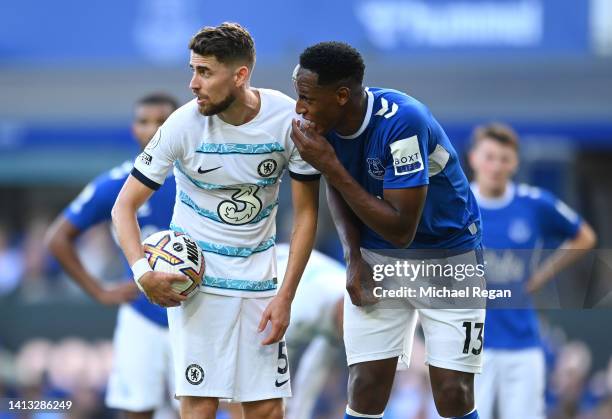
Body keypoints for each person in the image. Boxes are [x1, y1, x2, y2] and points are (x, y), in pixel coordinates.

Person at [111, 23, 320, 419]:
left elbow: (307, 213)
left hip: (261, 286)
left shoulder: (286, 120)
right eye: (192, 70)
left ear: (240, 75)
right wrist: (142, 272)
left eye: (204, 72)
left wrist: (286, 296)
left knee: (267, 410)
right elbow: (123, 208)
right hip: (199, 287)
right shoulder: (181, 125)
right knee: (201, 407)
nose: (192, 83)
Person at [290, 41, 484, 419]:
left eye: (306, 97)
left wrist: (331, 165)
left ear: (342, 95)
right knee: (364, 384)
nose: (300, 107)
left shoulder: (404, 122)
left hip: (447, 254)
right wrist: (353, 257)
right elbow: (339, 190)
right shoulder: (322, 124)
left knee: (453, 390)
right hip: (377, 256)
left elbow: (400, 229)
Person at [45, 93, 179, 419]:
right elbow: (58, 238)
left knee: (202, 409)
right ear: (133, 129)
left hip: (197, 312)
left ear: (178, 124)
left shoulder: (205, 178)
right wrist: (99, 290)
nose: (152, 130)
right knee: (136, 410)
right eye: (143, 121)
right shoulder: (118, 182)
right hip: (140, 315)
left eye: (161, 121)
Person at [468, 123, 596, 419]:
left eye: (504, 158)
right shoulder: (457, 204)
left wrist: (543, 274)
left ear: (515, 163)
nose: (496, 166)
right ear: (474, 158)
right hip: (470, 342)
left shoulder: (533, 203)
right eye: (489, 157)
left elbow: (584, 236)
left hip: (522, 340)